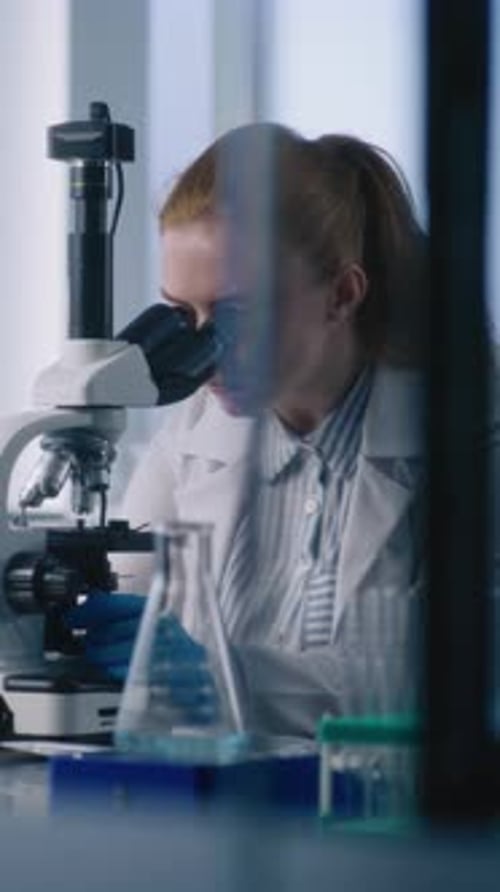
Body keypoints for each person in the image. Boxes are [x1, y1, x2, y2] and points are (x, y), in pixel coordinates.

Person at [68, 123, 427, 737]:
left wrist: (214, 674)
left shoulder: (474, 442)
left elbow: (443, 679)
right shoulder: (192, 436)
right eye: (183, 315)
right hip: (222, 813)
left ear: (342, 294)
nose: (205, 350)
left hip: (390, 816)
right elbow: (130, 630)